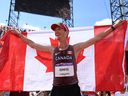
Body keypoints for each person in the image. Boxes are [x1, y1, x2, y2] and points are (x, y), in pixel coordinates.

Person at [11, 21, 122, 96]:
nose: (57, 31)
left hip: (72, 89)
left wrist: (113, 27)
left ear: (66, 32)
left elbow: (96, 39)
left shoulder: (75, 49)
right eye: (55, 30)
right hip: (57, 89)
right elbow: (33, 44)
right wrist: (19, 35)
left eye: (59, 29)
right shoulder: (52, 50)